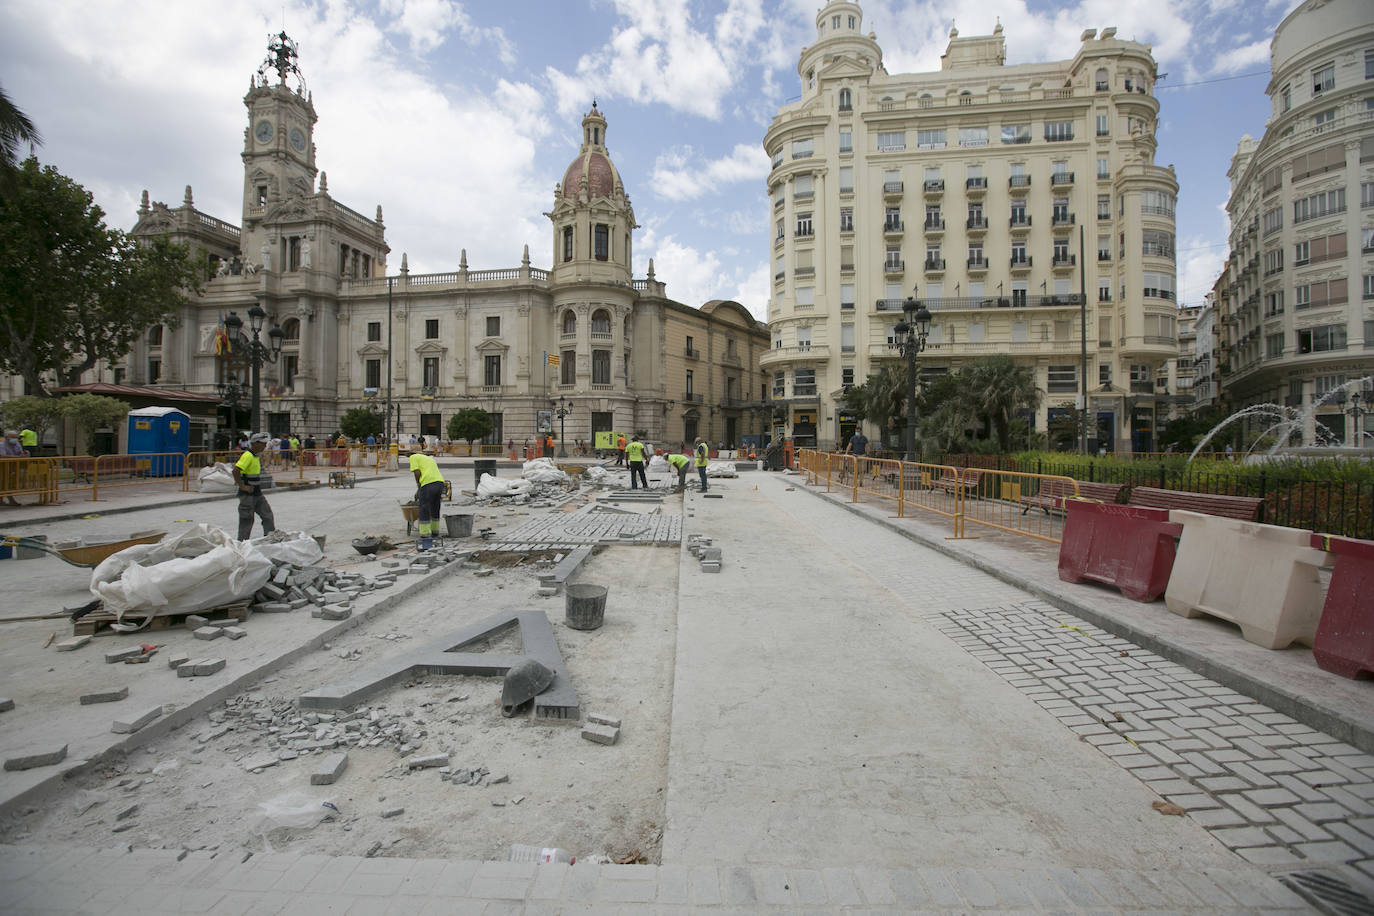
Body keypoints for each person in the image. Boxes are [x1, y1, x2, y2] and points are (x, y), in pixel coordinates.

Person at [233, 433, 275, 540]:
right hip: (247, 495)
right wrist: (242, 486)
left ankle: (270, 539)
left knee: (268, 516)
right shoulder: (248, 456)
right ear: (255, 444)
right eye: (263, 444)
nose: (265, 446)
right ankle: (242, 543)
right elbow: (236, 470)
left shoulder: (256, 457)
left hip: (257, 493)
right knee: (246, 520)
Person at [406, 452, 445, 550]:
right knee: (435, 507)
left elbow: (417, 472)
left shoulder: (413, 457)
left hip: (428, 483)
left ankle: (425, 535)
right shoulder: (429, 458)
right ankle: (435, 532)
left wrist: (418, 484)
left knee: (424, 508)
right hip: (440, 483)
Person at [1, 430, 28, 506]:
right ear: (6, 437)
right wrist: (17, 457)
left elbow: (20, 453)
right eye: (13, 437)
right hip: (3, 468)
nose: (15, 439)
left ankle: (4, 500)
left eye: (16, 437)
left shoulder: (17, 444)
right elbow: (2, 456)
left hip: (13, 467)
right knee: (4, 483)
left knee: (8, 484)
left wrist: (25, 454)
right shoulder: (2, 445)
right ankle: (9, 500)